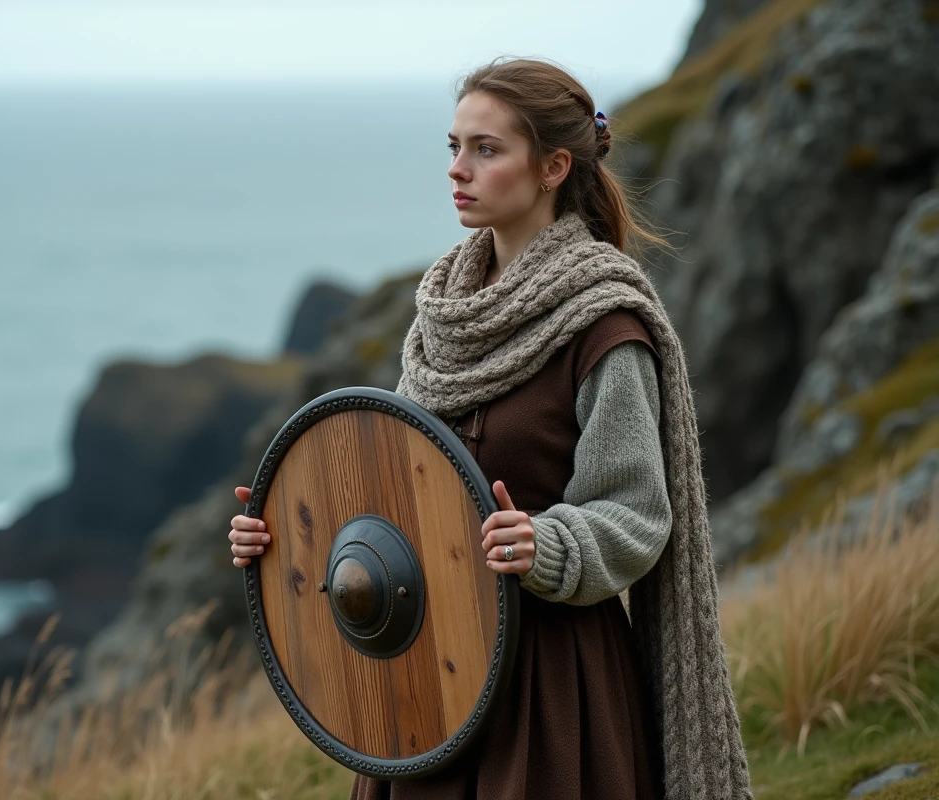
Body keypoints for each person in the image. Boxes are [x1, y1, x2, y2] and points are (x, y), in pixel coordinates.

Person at [228, 57, 752, 800]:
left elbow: (638, 514)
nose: (458, 170)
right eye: (453, 147)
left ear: (553, 167)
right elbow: (399, 489)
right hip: (426, 685)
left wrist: (549, 542)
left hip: (551, 688)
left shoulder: (605, 324)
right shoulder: (444, 320)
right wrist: (283, 532)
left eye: (486, 149)